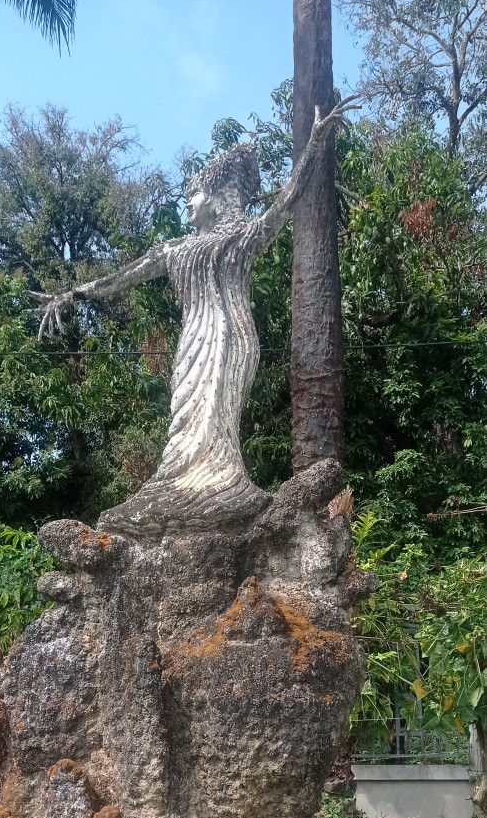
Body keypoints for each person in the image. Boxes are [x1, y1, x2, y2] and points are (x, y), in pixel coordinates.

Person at [36, 98, 356, 533]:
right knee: (185, 407)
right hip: (194, 336)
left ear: (218, 197)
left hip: (232, 335)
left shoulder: (243, 236)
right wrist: (74, 293)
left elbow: (286, 201)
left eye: (194, 196)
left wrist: (315, 143)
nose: (188, 205)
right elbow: (126, 276)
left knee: (217, 408)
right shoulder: (176, 248)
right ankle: (177, 480)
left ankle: (221, 483)